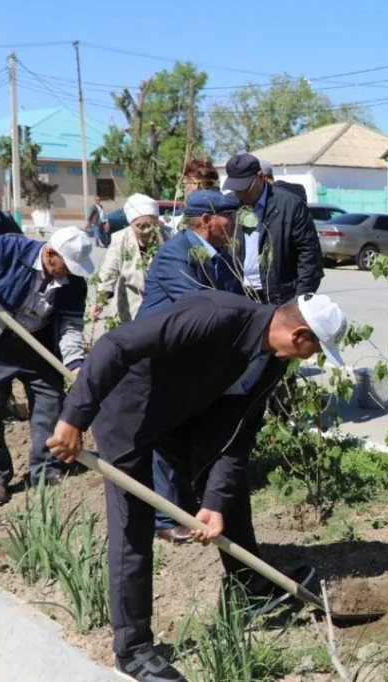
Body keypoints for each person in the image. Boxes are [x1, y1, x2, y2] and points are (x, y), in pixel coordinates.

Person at [47, 290, 348, 682]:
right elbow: (116, 343)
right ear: (300, 336)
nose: (310, 359)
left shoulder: (270, 363)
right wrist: (74, 416)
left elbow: (237, 435)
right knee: (132, 526)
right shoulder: (217, 316)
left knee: (230, 492)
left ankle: (252, 586)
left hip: (187, 418)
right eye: (314, 350)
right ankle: (133, 651)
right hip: (131, 412)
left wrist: (216, 502)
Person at [0, 227, 93, 506]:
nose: (68, 273)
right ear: (51, 253)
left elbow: (69, 326)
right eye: (65, 266)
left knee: (50, 402)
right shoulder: (11, 248)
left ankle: (44, 470)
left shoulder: (74, 283)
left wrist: (75, 363)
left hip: (37, 345)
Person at [138, 189, 243, 543]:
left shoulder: (223, 255)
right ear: (206, 221)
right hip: (163, 358)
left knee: (182, 435)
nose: (236, 223)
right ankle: (164, 519)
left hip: (194, 360)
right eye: (229, 216)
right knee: (165, 437)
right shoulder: (174, 256)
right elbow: (201, 307)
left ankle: (181, 508)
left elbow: (235, 301)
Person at [222, 153, 323, 303]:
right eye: (235, 188)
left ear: (260, 177)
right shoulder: (230, 205)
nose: (240, 193)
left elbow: (309, 255)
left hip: (279, 297)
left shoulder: (290, 205)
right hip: (240, 295)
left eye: (244, 188)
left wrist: (301, 298)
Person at [91, 194, 169, 326]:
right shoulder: (120, 239)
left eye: (150, 225)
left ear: (157, 222)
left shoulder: (168, 237)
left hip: (161, 309)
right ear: (131, 224)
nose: (145, 231)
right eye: (139, 226)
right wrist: (100, 300)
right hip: (129, 308)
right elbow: (109, 272)